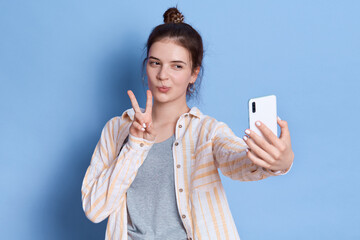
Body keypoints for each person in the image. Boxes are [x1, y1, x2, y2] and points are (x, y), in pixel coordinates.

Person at [81, 6, 294, 240]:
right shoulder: (116, 129)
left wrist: (276, 163)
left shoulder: (206, 132)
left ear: (194, 73)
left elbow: (237, 159)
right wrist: (135, 145)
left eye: (177, 66)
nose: (163, 75)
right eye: (155, 63)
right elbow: (95, 209)